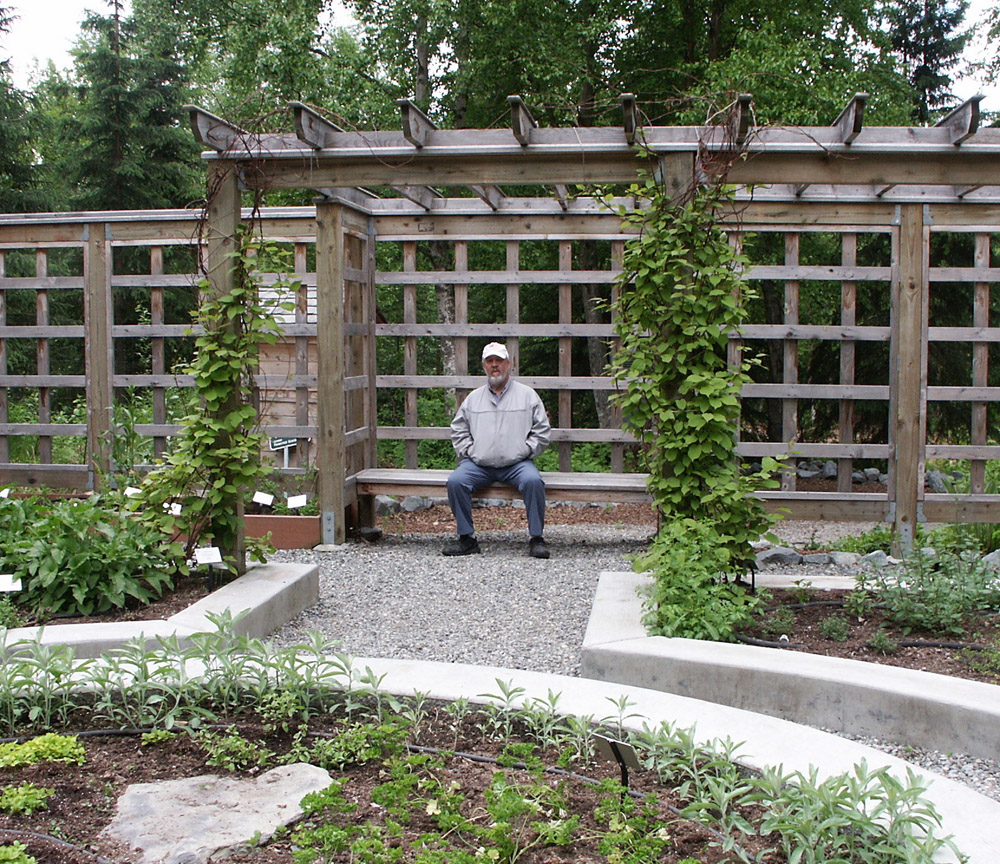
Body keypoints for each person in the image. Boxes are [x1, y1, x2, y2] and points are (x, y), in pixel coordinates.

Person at [443, 342, 552, 558]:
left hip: (517, 464)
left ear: (508, 364)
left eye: (499, 361)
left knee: (533, 481)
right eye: (490, 361)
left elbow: (542, 430)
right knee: (456, 482)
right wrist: (469, 451)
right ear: (484, 366)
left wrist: (526, 450)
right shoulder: (473, 398)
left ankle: (537, 538)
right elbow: (458, 428)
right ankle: (467, 539)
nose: (495, 365)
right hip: (479, 465)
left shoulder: (528, 395)